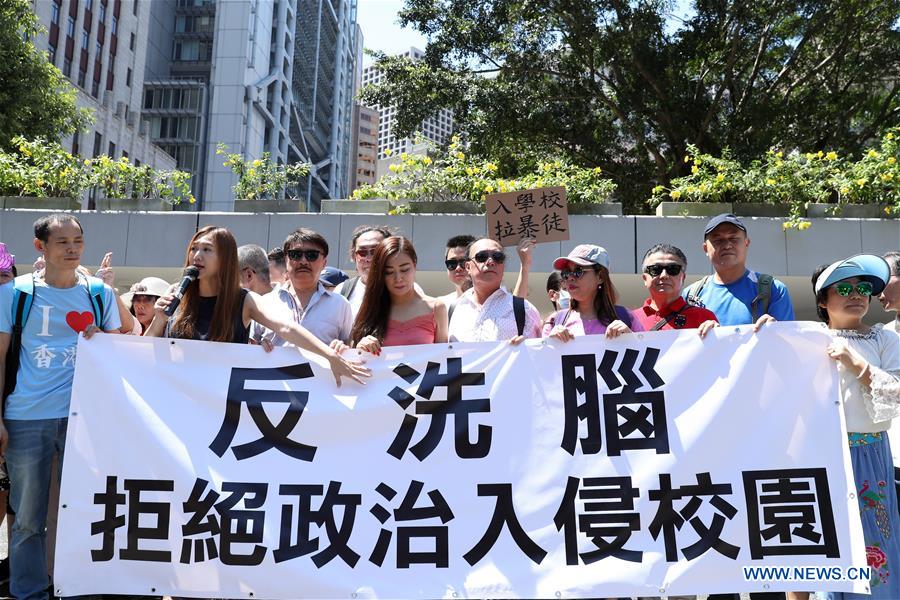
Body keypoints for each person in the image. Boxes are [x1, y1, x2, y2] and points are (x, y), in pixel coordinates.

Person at [0, 213, 121, 600]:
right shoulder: (13, 293)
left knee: (84, 512)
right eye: (62, 242)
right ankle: (29, 593)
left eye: (78, 241)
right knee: (28, 520)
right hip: (25, 418)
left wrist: (103, 337)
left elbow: (119, 354)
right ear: (41, 247)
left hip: (84, 421)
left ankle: (78, 590)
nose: (72, 249)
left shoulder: (98, 293)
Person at [145, 226, 369, 387]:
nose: (197, 256)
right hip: (177, 394)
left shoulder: (244, 300)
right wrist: (158, 319)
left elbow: (287, 328)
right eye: (194, 248)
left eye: (207, 250)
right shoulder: (176, 293)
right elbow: (138, 353)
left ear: (225, 258)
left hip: (220, 402)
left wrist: (331, 356)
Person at [811, 254, 900, 600]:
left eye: (864, 288)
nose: (857, 295)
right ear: (822, 300)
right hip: (823, 456)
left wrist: (856, 363)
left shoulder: (884, 339)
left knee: (875, 537)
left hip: (870, 453)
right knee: (827, 539)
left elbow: (895, 393)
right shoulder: (807, 337)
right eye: (844, 288)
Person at [685, 213, 794, 329]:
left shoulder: (773, 289)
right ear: (705, 248)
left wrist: (776, 331)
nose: (727, 245)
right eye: (718, 240)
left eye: (734, 239)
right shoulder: (691, 295)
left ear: (746, 243)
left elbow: (789, 342)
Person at [343, 236, 448, 354]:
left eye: (404, 270)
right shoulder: (370, 307)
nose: (398, 278)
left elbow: (444, 361)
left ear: (415, 265)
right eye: (389, 272)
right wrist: (361, 348)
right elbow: (353, 357)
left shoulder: (437, 308)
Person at [251, 228, 353, 347]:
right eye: (296, 254)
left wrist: (342, 347)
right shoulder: (263, 304)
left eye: (312, 255)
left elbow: (349, 347)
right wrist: (259, 349)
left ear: (324, 262)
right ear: (286, 259)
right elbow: (249, 348)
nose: (303, 261)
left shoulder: (340, 305)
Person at [448, 237, 541, 342]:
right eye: (481, 256)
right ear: (468, 267)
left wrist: (525, 350)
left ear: (503, 266)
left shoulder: (525, 310)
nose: (490, 261)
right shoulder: (453, 309)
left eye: (497, 257)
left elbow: (540, 353)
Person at [542, 244, 642, 341]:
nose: (570, 277)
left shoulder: (626, 317)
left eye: (578, 271)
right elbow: (541, 356)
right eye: (566, 273)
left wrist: (631, 340)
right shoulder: (554, 321)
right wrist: (551, 344)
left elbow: (649, 355)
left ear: (600, 277)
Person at [631, 244, 718, 333]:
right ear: (645, 278)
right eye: (655, 269)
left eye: (673, 269)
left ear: (683, 278)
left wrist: (717, 336)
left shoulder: (704, 318)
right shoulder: (629, 319)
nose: (664, 275)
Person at [335, 225, 393, 315]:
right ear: (354, 257)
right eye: (362, 253)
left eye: (376, 251)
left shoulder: (404, 288)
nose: (369, 258)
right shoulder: (341, 291)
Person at [438, 234, 476, 305]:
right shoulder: (440, 304)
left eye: (464, 262)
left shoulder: (490, 302)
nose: (458, 268)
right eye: (452, 263)